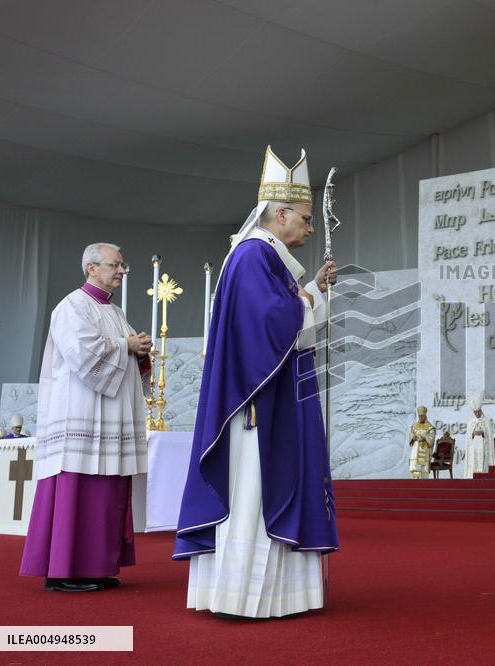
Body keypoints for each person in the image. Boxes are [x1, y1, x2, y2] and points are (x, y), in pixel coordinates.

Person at [174, 145, 339, 618]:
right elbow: (268, 325)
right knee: (253, 490)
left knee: (263, 488)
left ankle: (275, 593)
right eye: (305, 219)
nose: (310, 228)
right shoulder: (252, 256)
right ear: (280, 214)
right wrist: (306, 300)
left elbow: (281, 318)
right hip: (256, 405)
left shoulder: (267, 259)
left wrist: (310, 294)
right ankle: (241, 595)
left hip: (271, 396)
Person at [20, 243, 153, 592]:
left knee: (106, 493)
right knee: (77, 490)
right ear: (92, 268)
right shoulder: (72, 306)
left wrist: (140, 352)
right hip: (80, 414)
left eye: (123, 265)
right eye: (115, 264)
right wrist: (126, 346)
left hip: (108, 417)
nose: (122, 270)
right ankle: (64, 570)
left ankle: (97, 567)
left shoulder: (116, 312)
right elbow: (83, 354)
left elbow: (119, 354)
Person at [463, 399, 494, 478]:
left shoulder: (486, 421)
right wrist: (473, 433)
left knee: (482, 461)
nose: (477, 413)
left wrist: (483, 432)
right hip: (473, 448)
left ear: (481, 410)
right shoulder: (471, 422)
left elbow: (489, 436)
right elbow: (469, 437)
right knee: (473, 461)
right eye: (475, 412)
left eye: (478, 411)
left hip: (483, 446)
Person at [408, 406, 436, 479]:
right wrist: (413, 437)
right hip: (416, 450)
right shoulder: (414, 426)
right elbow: (411, 434)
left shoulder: (430, 427)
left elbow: (431, 439)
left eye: (422, 416)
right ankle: (414, 484)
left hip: (424, 450)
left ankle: (424, 485)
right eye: (419, 416)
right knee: (415, 468)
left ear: (425, 416)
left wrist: (425, 437)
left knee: (423, 470)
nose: (420, 417)